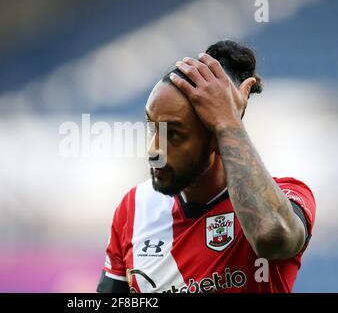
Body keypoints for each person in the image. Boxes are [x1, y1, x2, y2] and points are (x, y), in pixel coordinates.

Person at [96, 40, 315, 293]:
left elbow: (272, 238)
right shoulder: (133, 208)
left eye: (174, 134)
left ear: (214, 136)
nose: (154, 149)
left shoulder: (288, 196)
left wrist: (229, 123)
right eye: (153, 127)